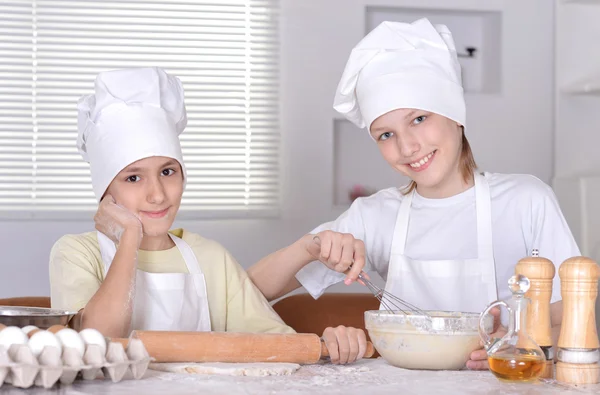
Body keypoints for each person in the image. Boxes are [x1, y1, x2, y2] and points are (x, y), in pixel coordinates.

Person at [248, 18, 580, 370]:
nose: (407, 147)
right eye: (385, 135)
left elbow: (569, 326)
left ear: (455, 114)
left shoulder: (526, 201)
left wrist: (518, 347)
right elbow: (245, 293)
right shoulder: (375, 215)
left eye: (419, 118)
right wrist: (308, 247)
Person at [49, 67, 366, 364]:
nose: (158, 194)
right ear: (106, 191)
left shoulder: (210, 259)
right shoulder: (77, 254)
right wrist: (129, 239)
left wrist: (327, 344)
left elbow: (276, 346)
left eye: (168, 171)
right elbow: (95, 344)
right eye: (133, 177)